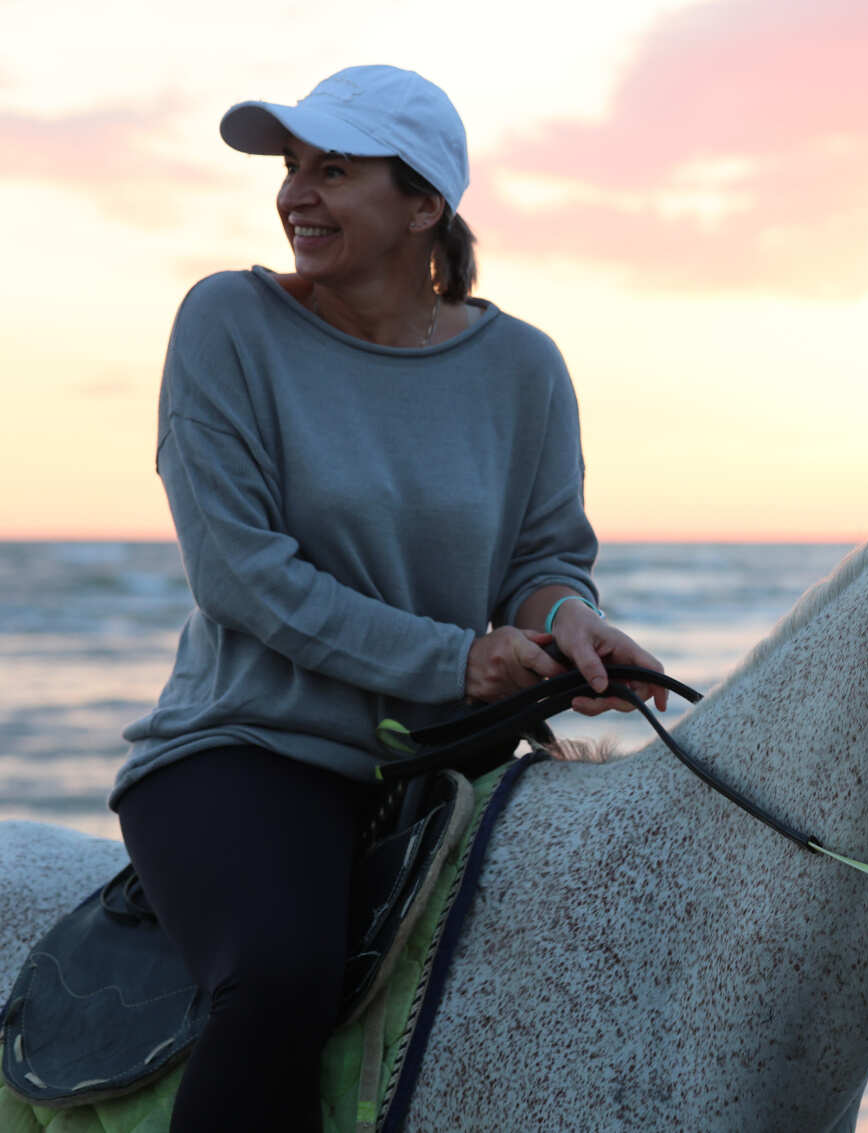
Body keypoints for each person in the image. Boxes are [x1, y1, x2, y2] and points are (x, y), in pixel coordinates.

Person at [111, 65, 664, 1131]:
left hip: (452, 766)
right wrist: (458, 657)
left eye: (333, 169)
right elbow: (240, 576)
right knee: (277, 977)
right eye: (290, 168)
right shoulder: (228, 321)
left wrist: (564, 624)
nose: (294, 195)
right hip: (248, 749)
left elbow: (543, 561)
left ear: (424, 205)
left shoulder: (523, 366)